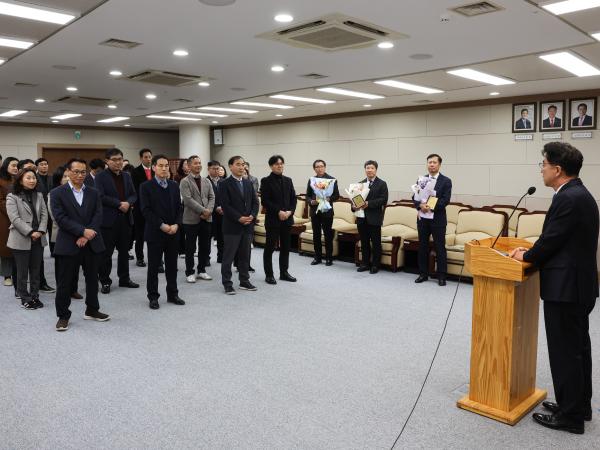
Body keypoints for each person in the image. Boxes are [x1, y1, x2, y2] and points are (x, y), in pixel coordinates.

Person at [510, 142, 598, 434]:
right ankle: (578, 405)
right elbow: (561, 240)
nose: (541, 170)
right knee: (577, 350)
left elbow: (552, 240)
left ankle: (570, 417)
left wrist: (528, 255)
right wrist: (533, 250)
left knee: (565, 352)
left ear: (557, 169)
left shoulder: (568, 198)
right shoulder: (580, 194)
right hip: (578, 285)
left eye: (543, 164)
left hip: (566, 288)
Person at [51, 158, 110, 332]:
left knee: (92, 278)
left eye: (83, 171)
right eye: (75, 171)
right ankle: (63, 315)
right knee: (65, 282)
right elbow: (61, 218)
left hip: (91, 242)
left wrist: (87, 234)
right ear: (67, 172)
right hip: (68, 243)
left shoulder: (93, 192)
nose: (79, 175)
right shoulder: (57, 193)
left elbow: (98, 215)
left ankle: (92, 309)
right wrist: (82, 232)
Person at [139, 154, 185, 310]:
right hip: (155, 232)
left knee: (172, 266)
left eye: (166, 165)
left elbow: (180, 208)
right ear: (153, 167)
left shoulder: (173, 185)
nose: (164, 168)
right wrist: (162, 225)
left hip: (173, 232)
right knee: (153, 267)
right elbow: (146, 210)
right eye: (160, 165)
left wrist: (177, 225)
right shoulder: (146, 186)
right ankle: (153, 296)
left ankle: (173, 294)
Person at [95, 148, 139, 294]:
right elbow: (100, 196)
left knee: (124, 252)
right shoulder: (100, 177)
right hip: (108, 221)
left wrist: (128, 203)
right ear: (107, 161)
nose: (118, 162)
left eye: (120, 159)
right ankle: (105, 281)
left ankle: (124, 279)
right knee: (106, 254)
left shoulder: (126, 175)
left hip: (125, 219)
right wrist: (119, 204)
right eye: (114, 160)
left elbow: (133, 194)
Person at [6, 168, 48, 309]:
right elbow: (14, 218)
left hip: (39, 237)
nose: (32, 180)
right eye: (28, 178)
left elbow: (44, 214)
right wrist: (31, 232)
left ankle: (35, 296)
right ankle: (25, 297)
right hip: (21, 238)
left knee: (36, 270)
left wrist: (41, 230)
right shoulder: (12, 196)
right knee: (22, 271)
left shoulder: (40, 195)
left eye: (34, 178)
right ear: (20, 180)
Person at [219, 155, 258, 295]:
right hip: (232, 226)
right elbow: (225, 205)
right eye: (238, 164)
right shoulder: (224, 184)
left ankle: (244, 280)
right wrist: (239, 218)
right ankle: (227, 283)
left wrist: (252, 216)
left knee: (245, 255)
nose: (242, 167)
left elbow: (255, 202)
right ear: (230, 166)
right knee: (228, 256)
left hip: (247, 225)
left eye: (243, 164)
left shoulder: (248, 182)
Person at [413, 154, 452, 286]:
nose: (432, 164)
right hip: (423, 219)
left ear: (439, 164)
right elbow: (415, 197)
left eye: (434, 162)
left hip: (438, 219)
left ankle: (441, 276)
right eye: (429, 162)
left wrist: (429, 206)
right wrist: (420, 205)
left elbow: (445, 200)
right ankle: (423, 274)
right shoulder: (421, 180)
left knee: (440, 247)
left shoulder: (446, 181)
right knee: (422, 247)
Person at [260, 155, 297, 284]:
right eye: (276, 164)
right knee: (270, 247)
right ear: (271, 166)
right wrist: (278, 211)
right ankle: (269, 274)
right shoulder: (265, 181)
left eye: (281, 163)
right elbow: (265, 201)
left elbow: (293, 198)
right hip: (273, 220)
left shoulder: (288, 180)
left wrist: (290, 212)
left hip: (287, 219)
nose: (279, 166)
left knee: (286, 247)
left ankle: (284, 273)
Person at [49, 166, 82, 299]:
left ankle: (73, 289)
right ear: (58, 179)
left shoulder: (78, 192)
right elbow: (55, 217)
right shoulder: (53, 193)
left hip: (78, 233)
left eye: (69, 176)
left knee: (75, 264)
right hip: (61, 235)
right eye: (65, 176)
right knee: (62, 267)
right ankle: (62, 291)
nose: (68, 178)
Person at [180, 155, 215, 283]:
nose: (198, 165)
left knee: (205, 246)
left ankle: (201, 270)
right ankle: (190, 272)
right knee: (190, 247)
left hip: (206, 219)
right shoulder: (185, 181)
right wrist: (203, 210)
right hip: (191, 219)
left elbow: (212, 197)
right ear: (189, 166)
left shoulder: (207, 181)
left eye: (200, 163)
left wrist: (209, 211)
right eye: (195, 163)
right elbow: (188, 200)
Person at [353, 160, 388, 274]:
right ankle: (365, 263)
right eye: (367, 168)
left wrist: (368, 203)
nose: (369, 170)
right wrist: (354, 205)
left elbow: (383, 200)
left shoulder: (382, 184)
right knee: (364, 242)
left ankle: (375, 265)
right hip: (361, 218)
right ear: (365, 170)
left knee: (376, 242)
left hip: (374, 218)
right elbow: (355, 199)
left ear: (376, 170)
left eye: (372, 168)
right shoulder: (359, 184)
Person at [306, 159, 339, 266]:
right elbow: (307, 195)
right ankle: (317, 257)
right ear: (314, 169)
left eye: (321, 166)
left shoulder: (332, 180)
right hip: (315, 211)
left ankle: (329, 258)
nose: (319, 168)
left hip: (327, 211)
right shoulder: (311, 180)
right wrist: (311, 201)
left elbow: (336, 195)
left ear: (325, 167)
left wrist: (329, 199)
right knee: (316, 235)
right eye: (317, 167)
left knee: (328, 235)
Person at [34, 157, 55, 293]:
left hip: (52, 214)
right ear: (37, 166)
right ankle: (40, 280)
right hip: (39, 215)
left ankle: (54, 252)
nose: (44, 166)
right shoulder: (33, 178)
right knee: (40, 246)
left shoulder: (52, 178)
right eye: (41, 164)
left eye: (46, 164)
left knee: (55, 239)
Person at [131, 148, 154, 267]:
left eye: (150, 157)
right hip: (140, 207)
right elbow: (135, 190)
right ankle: (140, 257)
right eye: (146, 157)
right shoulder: (135, 172)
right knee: (140, 235)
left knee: (155, 234)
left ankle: (156, 258)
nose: (148, 159)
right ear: (141, 158)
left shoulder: (156, 170)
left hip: (155, 208)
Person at [0, 157, 19, 288]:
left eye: (17, 166)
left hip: (20, 218)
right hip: (5, 217)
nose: (15, 168)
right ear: (6, 166)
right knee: (6, 247)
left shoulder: (19, 180)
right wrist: (13, 214)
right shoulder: (1, 181)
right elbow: (0, 201)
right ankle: (7, 275)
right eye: (13, 165)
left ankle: (18, 273)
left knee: (18, 246)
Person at [207, 160, 224, 263]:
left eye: (218, 168)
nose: (216, 170)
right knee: (207, 237)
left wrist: (223, 207)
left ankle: (221, 256)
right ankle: (206, 258)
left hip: (222, 213)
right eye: (214, 168)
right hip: (210, 213)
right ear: (208, 169)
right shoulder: (205, 181)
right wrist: (215, 207)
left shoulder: (223, 182)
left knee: (222, 236)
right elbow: (205, 198)